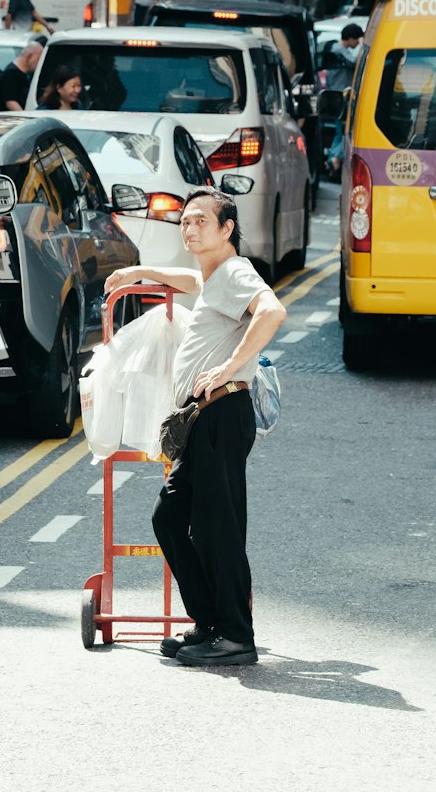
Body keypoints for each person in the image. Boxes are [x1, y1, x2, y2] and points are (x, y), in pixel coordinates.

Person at [105, 187, 286, 667]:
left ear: (228, 229)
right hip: (204, 420)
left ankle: (233, 635)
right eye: (185, 221)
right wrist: (142, 271)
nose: (190, 227)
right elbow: (191, 280)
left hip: (222, 414)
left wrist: (229, 366)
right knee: (170, 518)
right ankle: (209, 623)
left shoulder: (236, 272)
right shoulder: (217, 277)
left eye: (202, 220)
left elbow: (272, 311)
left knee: (216, 529)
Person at [323, 23, 364, 177]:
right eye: (357, 40)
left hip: (334, 95)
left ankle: (332, 158)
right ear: (352, 38)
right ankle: (335, 158)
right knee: (343, 130)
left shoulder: (333, 49)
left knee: (338, 131)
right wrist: (362, 46)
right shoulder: (340, 50)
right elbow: (355, 61)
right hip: (342, 97)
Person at [0, 36, 45, 111]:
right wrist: (25, 117)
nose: (39, 62)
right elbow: (11, 102)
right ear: (30, 56)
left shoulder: (24, 74)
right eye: (38, 58)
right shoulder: (12, 73)